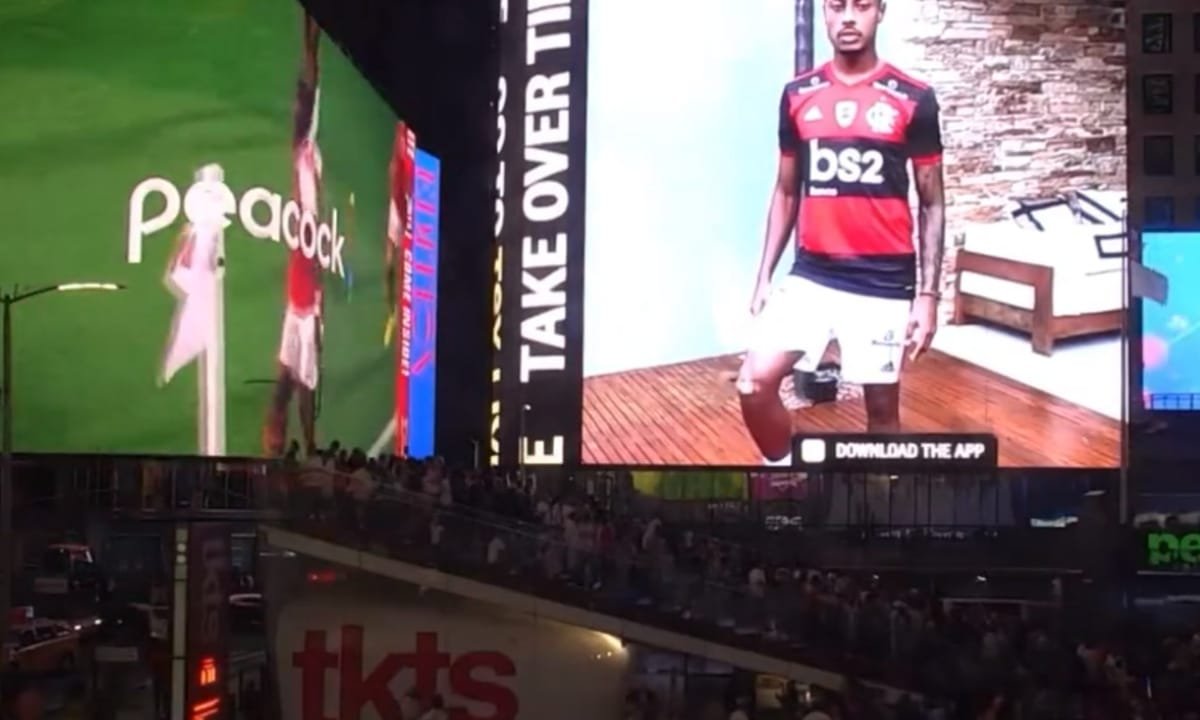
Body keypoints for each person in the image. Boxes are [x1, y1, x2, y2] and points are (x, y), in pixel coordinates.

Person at [737, 0, 946, 465]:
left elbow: (932, 201)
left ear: (880, 13)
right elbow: (786, 192)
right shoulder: (797, 94)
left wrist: (929, 296)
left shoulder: (914, 97)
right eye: (836, 6)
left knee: (882, 415)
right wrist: (763, 274)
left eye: (862, 5)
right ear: (826, 15)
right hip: (812, 273)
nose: (848, 17)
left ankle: (878, 514)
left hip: (884, 281)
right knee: (753, 383)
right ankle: (787, 474)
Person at [264, 11, 325, 456]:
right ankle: (303, 444)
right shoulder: (302, 157)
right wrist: (309, 39)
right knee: (296, 377)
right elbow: (309, 85)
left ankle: (302, 442)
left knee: (296, 377)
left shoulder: (304, 156)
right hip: (302, 293)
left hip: (303, 292)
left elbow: (310, 85)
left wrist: (311, 41)